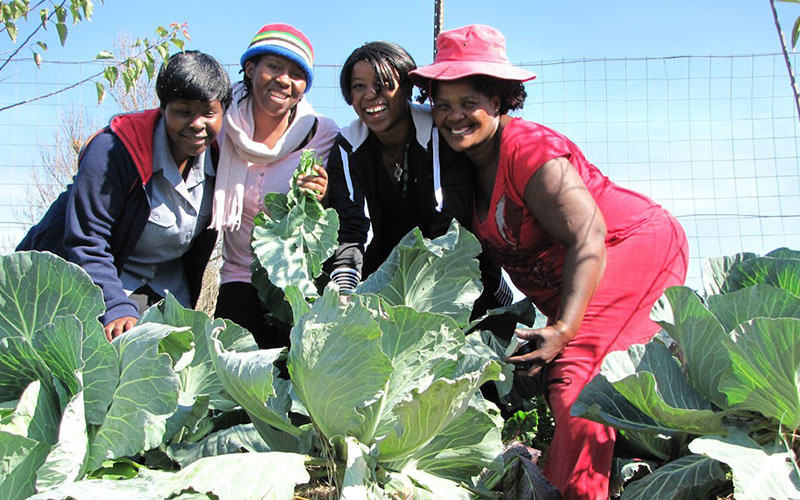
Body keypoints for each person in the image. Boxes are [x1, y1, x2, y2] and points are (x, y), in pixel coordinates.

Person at [409, 24, 689, 500]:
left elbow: (588, 235)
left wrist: (563, 329)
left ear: (497, 100)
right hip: (584, 275)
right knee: (576, 379)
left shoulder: (528, 150)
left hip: (630, 245)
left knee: (576, 374)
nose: (454, 116)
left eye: (468, 102)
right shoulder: (464, 168)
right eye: (443, 104)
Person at [17, 50, 232, 341]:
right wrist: (114, 306)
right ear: (163, 108)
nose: (196, 124)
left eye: (208, 113)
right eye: (183, 111)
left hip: (165, 285)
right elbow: (87, 239)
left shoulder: (222, 159)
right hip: (90, 281)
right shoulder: (115, 150)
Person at [327, 41, 513, 313]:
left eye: (383, 84)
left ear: (407, 88)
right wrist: (344, 292)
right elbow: (351, 228)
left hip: (455, 269)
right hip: (387, 273)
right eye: (358, 86)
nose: (370, 95)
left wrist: (430, 301)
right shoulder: (347, 146)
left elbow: (451, 226)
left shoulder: (441, 132)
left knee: (480, 326)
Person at [211, 23, 338, 348]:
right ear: (250, 68)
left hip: (295, 285)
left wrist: (323, 194)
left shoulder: (321, 133)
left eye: (297, 74)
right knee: (230, 373)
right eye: (274, 66)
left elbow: (342, 207)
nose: (284, 80)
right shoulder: (221, 125)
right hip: (238, 276)